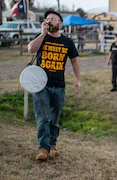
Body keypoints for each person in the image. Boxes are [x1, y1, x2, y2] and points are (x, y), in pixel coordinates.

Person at [28, 10, 80, 161]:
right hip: (41, 85)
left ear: (60, 23)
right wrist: (43, 34)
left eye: (53, 19)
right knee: (43, 117)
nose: (50, 21)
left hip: (59, 85)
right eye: (47, 19)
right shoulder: (41, 38)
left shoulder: (67, 42)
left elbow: (75, 61)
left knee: (54, 118)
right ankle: (43, 148)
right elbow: (31, 49)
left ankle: (52, 145)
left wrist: (78, 80)